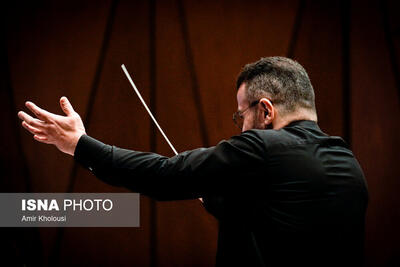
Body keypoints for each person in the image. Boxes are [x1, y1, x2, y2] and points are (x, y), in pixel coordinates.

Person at [18, 57, 368, 266]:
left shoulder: (261, 147)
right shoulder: (349, 166)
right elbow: (283, 221)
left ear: (265, 110)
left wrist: (79, 144)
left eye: (240, 115)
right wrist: (217, 197)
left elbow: (165, 175)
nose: (241, 127)